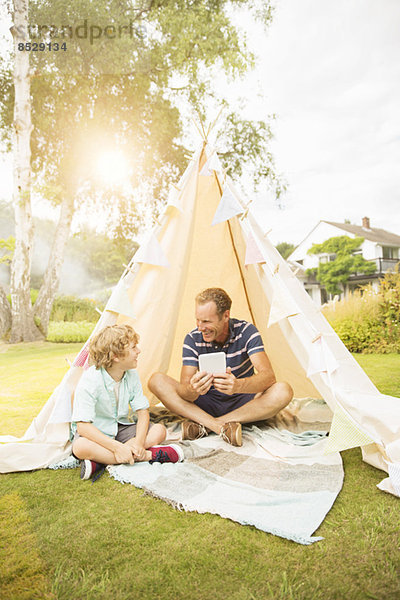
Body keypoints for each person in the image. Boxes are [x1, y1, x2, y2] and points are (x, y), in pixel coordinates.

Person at [149, 287, 293, 447]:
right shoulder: (192, 339)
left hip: (243, 403)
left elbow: (268, 376)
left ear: (225, 316)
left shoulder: (247, 332)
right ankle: (219, 426)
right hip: (205, 403)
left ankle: (207, 425)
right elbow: (184, 391)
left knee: (283, 390)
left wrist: (238, 385)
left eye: (207, 321)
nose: (200, 327)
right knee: (156, 380)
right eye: (198, 320)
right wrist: (193, 389)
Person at [72, 324, 183, 480]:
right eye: (133, 348)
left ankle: (100, 462)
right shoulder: (90, 380)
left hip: (120, 429)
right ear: (116, 356)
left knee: (159, 430)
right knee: (80, 447)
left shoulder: (131, 375)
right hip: (97, 433)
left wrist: (137, 443)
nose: (139, 351)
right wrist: (117, 448)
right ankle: (150, 455)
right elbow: (83, 427)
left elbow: (143, 412)